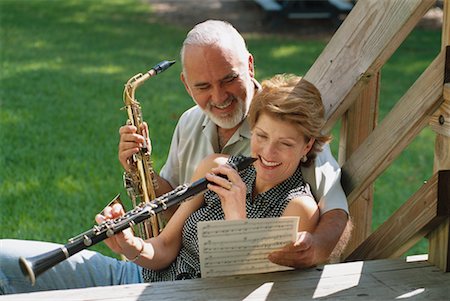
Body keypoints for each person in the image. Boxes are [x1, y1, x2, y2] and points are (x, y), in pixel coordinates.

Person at [0, 74, 327, 293]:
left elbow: (241, 291)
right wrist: (132, 246)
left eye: (285, 144)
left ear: (307, 146)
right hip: (137, 280)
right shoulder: (217, 166)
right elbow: (165, 248)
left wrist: (236, 215)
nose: (268, 153)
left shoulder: (298, 207)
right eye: (262, 136)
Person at [119, 20, 350, 268]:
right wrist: (142, 173)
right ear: (187, 85)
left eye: (229, 79)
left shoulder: (293, 128)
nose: (219, 97)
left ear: (249, 66)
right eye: (203, 86)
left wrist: (315, 249)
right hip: (167, 265)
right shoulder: (189, 122)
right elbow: (174, 204)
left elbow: (336, 213)